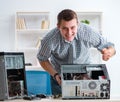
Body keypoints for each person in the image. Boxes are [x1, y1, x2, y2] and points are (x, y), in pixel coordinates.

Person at [37, 9, 116, 95]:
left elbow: (109, 46)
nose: (69, 33)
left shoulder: (87, 32)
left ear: (77, 24)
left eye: (72, 27)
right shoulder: (49, 40)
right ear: (58, 26)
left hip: (85, 77)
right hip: (59, 78)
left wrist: (109, 52)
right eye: (65, 28)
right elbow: (42, 59)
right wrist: (55, 75)